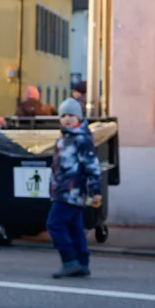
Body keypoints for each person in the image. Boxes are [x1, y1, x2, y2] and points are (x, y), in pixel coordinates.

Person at [46, 98, 103, 278]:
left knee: (54, 224)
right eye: (63, 116)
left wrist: (96, 191)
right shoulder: (63, 138)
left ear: (78, 117)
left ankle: (69, 260)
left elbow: (92, 167)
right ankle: (82, 263)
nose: (67, 119)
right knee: (74, 227)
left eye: (71, 115)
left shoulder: (82, 139)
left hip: (71, 192)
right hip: (62, 191)